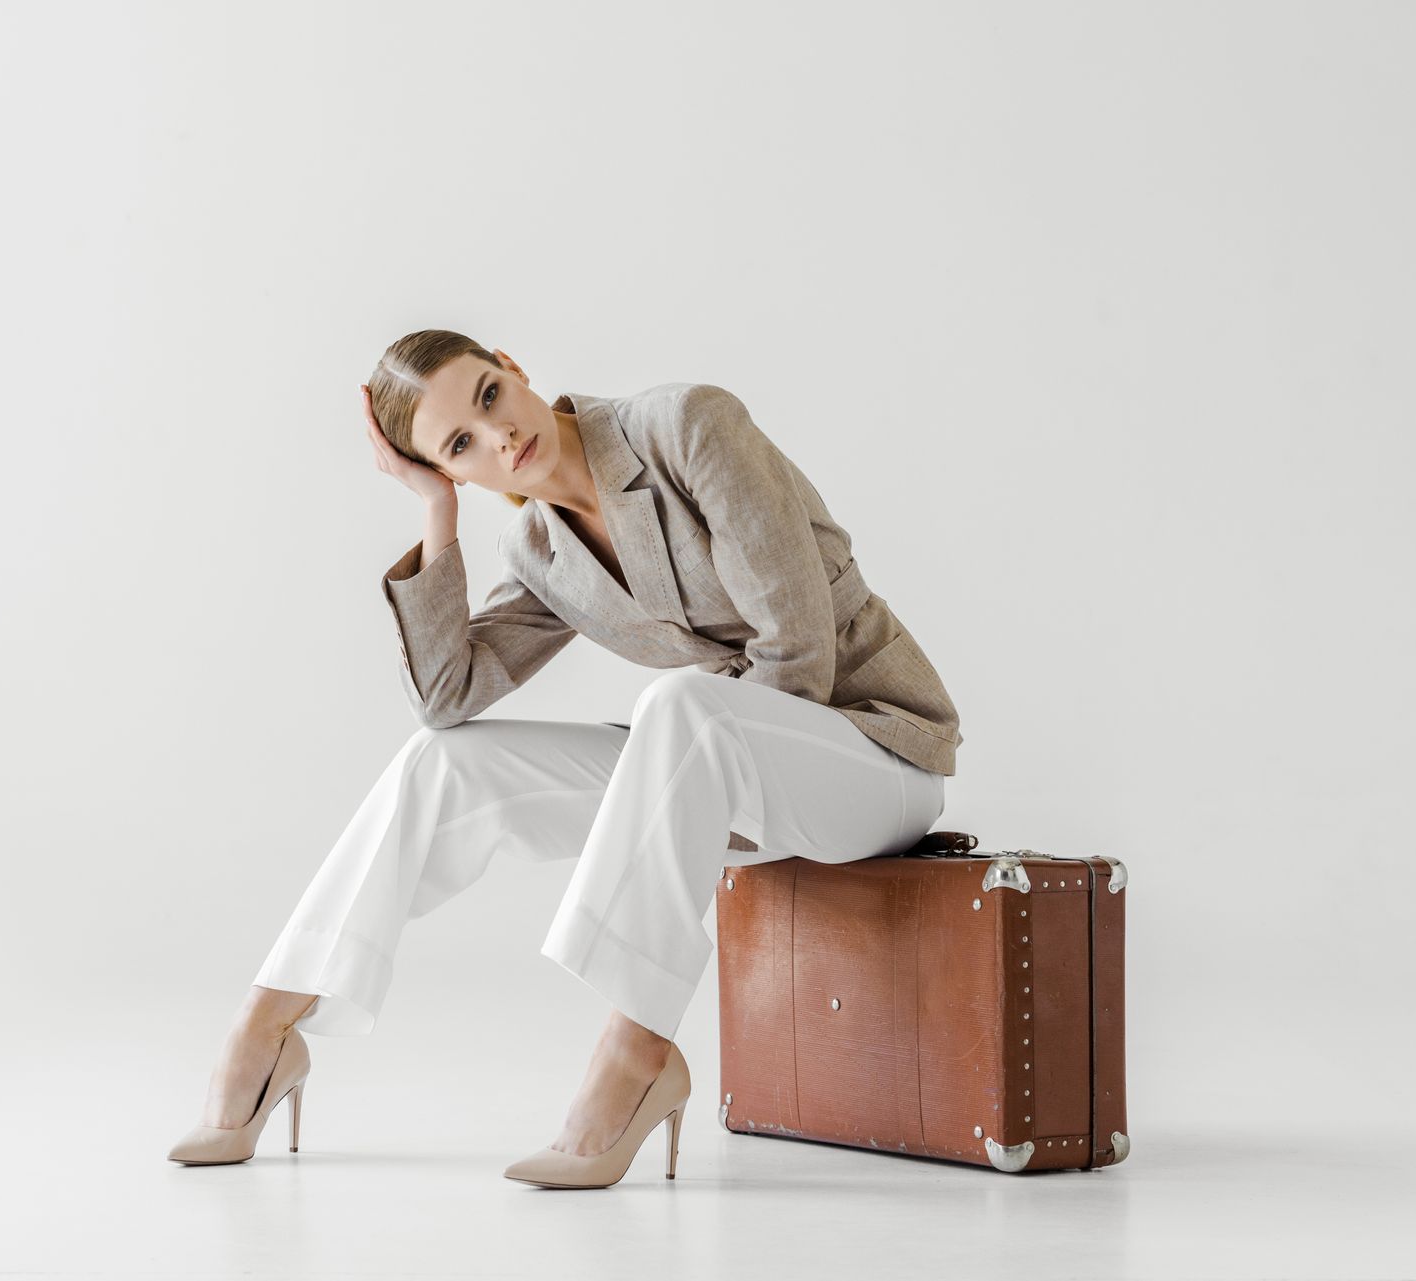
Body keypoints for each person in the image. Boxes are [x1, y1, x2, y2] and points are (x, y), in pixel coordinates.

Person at [166, 329, 963, 1188]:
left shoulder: (687, 426)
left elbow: (798, 654)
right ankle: (269, 1023)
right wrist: (436, 510)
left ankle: (638, 1047)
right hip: (721, 769)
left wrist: (686, 814)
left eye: (488, 396)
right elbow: (446, 698)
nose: (500, 435)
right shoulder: (542, 551)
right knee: (442, 764)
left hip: (877, 753)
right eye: (461, 446)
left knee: (679, 706)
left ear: (512, 369)